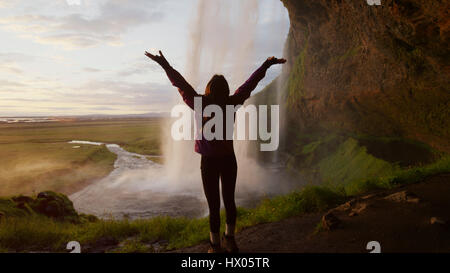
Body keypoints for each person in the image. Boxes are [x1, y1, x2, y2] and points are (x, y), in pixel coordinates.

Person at [145, 50, 286, 253]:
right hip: (229, 160)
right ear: (226, 89)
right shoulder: (232, 102)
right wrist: (266, 64)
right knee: (229, 201)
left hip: (209, 162)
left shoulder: (200, 103)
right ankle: (230, 239)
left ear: (209, 89)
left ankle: (215, 246)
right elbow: (249, 85)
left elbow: (181, 85)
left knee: (213, 206)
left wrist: (164, 64)